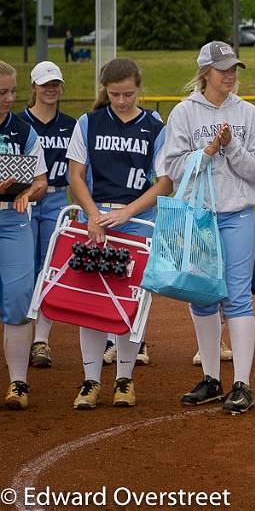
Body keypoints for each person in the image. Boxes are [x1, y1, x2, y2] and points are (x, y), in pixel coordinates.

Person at [163, 42, 255, 414]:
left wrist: (232, 147)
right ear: (205, 72)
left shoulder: (249, 114)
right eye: (223, 68)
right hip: (198, 216)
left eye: (233, 68)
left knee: (237, 296)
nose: (230, 74)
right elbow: (173, 168)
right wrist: (207, 151)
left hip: (237, 215)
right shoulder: (183, 113)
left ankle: (242, 383)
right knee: (202, 296)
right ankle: (211, 378)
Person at [65, 57, 171, 409]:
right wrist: (94, 214)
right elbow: (76, 176)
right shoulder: (90, 122)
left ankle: (124, 379)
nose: (122, 101)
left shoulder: (155, 127)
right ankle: (91, 380)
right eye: (115, 95)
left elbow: (165, 182)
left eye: (128, 94)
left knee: (130, 304)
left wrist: (128, 211)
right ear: (105, 92)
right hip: (95, 220)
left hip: (137, 220)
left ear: (139, 88)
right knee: (90, 302)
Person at [21, 61, 76, 369]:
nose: (51, 89)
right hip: (23, 200)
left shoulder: (71, 124)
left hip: (57, 199)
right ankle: (19, 334)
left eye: (55, 83)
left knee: (49, 269)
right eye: (45, 84)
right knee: (22, 269)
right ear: (34, 88)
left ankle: (41, 340)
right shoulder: (20, 124)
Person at [1, 60, 48, 409]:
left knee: (19, 297)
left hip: (13, 219)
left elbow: (42, 182)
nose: (8, 99)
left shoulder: (22, 130)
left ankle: (19, 383)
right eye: (1, 92)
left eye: (12, 91)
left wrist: (26, 192)